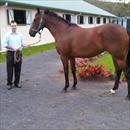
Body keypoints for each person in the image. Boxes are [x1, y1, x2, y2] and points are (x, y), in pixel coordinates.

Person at [2, 20, 24, 90]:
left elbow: (22, 43)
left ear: (16, 26)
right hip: (10, 53)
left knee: (18, 69)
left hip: (18, 53)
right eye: (12, 26)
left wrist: (26, 45)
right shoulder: (7, 35)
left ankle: (16, 83)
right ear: (10, 26)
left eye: (15, 25)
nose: (14, 27)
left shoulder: (20, 34)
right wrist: (13, 48)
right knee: (10, 69)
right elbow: (4, 44)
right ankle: (9, 83)